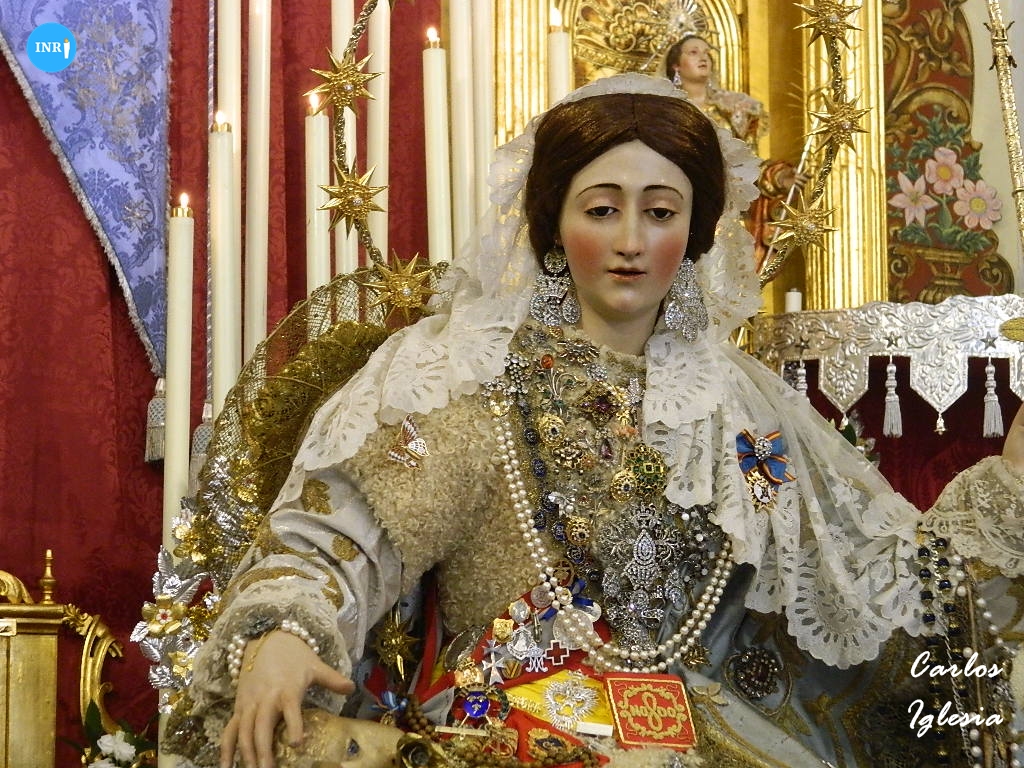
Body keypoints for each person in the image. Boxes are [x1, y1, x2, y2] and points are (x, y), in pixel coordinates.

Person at [166, 74, 1023, 768]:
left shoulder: (737, 407)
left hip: (707, 734)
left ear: (695, 233)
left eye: (661, 212)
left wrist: (1010, 487)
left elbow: (855, 577)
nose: (631, 241)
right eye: (602, 209)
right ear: (554, 222)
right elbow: (338, 540)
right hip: (512, 735)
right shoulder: (467, 373)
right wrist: (285, 632)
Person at [664, 35, 803, 273]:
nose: (704, 57)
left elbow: (748, 163)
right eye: (694, 52)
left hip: (726, 211)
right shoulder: (667, 111)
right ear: (676, 65)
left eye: (707, 52)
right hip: (682, 205)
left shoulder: (731, 112)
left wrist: (779, 177)